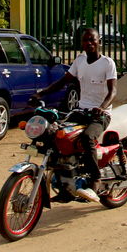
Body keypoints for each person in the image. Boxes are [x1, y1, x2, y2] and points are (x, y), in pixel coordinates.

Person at [37, 28, 116, 203]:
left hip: (101, 115)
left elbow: (113, 91)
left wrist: (102, 107)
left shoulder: (107, 63)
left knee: (88, 138)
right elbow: (63, 82)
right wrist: (41, 93)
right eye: (85, 40)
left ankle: (95, 180)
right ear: (81, 43)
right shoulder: (79, 61)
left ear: (99, 41)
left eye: (92, 40)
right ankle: (66, 186)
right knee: (57, 134)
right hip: (81, 111)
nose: (89, 43)